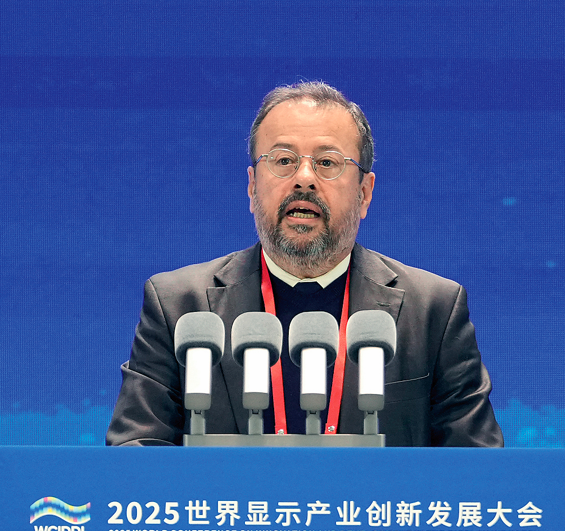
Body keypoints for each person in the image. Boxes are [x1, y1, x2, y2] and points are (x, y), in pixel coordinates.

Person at [106, 81, 503, 447]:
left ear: (365, 193)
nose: (305, 179)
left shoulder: (432, 310)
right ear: (251, 186)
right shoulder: (179, 306)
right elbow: (135, 456)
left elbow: (477, 468)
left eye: (328, 163)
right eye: (283, 160)